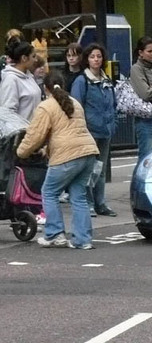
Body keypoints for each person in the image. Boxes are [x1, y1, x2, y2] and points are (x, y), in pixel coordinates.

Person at [17, 70, 99, 249]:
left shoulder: (46, 106)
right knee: (79, 196)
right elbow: (66, 130)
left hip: (67, 155)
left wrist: (21, 152)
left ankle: (55, 234)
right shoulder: (75, 103)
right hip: (88, 152)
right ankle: (82, 240)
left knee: (49, 192)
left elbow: (35, 136)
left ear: (45, 88)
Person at [71, 42, 118, 218]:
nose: (96, 59)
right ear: (87, 59)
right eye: (92, 56)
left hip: (105, 131)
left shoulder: (106, 80)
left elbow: (113, 104)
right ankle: (89, 203)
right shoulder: (82, 81)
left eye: (98, 56)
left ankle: (101, 203)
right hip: (89, 132)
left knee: (101, 169)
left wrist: (113, 124)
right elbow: (76, 106)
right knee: (89, 169)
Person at [0, 40, 41, 120]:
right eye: (33, 56)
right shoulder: (11, 79)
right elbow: (8, 113)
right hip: (23, 130)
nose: (36, 60)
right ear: (24, 58)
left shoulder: (29, 76)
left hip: (35, 130)